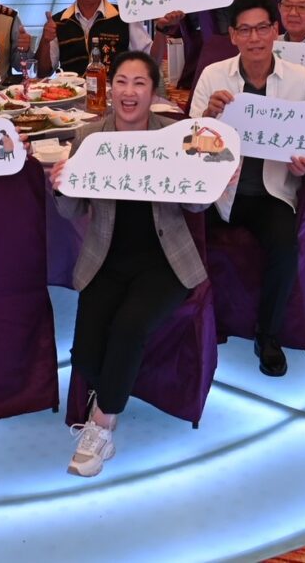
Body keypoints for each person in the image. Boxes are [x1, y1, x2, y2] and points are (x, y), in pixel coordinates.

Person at [49, 50, 208, 477]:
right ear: (109, 87)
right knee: (85, 356)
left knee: (129, 327)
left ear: (154, 93)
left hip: (164, 260)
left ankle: (102, 426)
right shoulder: (90, 137)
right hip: (106, 258)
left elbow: (195, 207)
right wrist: (61, 186)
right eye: (121, 81)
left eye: (140, 83)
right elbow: (71, 211)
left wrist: (213, 183)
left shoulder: (174, 136)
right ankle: (107, 398)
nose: (129, 91)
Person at [192, 0, 305, 376]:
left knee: (284, 246)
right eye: (244, 30)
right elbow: (191, 149)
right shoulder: (214, 76)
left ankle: (268, 334)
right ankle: (192, 322)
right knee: (175, 230)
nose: (255, 38)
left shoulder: (301, 80)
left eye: (262, 28)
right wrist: (209, 118)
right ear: (232, 36)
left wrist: (302, 165)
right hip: (218, 192)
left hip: (270, 192)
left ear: (275, 30)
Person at [39, 0, 172, 74]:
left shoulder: (124, 16)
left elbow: (152, 61)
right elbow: (42, 72)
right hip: (71, 91)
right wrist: (45, 41)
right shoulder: (58, 22)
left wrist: (161, 30)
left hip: (115, 91)